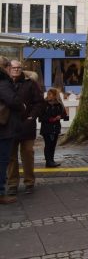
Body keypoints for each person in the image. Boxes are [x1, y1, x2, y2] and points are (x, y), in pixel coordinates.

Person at [6, 59, 45, 196]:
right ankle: (12, 184)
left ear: (21, 69)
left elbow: (39, 103)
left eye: (18, 68)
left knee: (28, 154)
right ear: (8, 69)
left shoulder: (30, 84)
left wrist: (32, 117)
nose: (16, 70)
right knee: (11, 156)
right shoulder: (5, 84)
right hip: (9, 126)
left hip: (26, 125)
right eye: (13, 68)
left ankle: (29, 182)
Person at [0, 57, 24, 204]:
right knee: (2, 161)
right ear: (6, 67)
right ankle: (1, 193)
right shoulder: (3, 82)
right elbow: (13, 101)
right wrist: (22, 106)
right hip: (4, 128)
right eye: (10, 67)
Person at [40, 88, 69, 168]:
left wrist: (60, 117)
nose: (48, 96)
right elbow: (40, 117)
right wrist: (50, 119)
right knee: (48, 144)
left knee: (53, 145)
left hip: (56, 128)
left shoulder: (59, 105)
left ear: (55, 95)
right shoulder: (44, 104)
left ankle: (51, 160)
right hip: (46, 128)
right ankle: (48, 161)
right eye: (48, 94)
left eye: (50, 94)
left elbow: (65, 116)